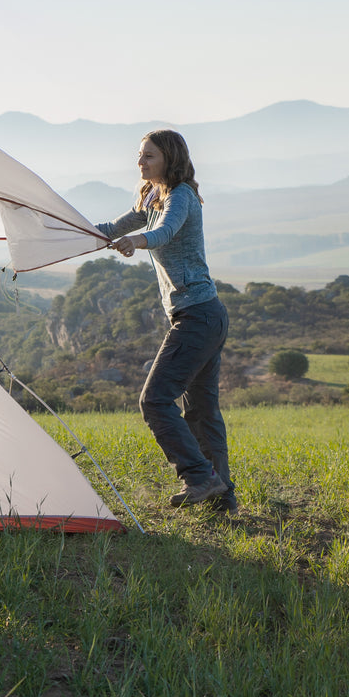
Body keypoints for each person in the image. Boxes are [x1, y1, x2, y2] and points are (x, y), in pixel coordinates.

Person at [97, 129, 236, 514]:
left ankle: (199, 477)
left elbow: (164, 232)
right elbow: (111, 229)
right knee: (201, 413)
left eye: (149, 157)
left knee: (154, 400)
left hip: (199, 317)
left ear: (169, 159)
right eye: (139, 156)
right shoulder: (151, 195)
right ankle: (222, 499)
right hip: (203, 315)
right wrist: (59, 230)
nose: (140, 163)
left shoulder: (181, 197)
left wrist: (137, 243)